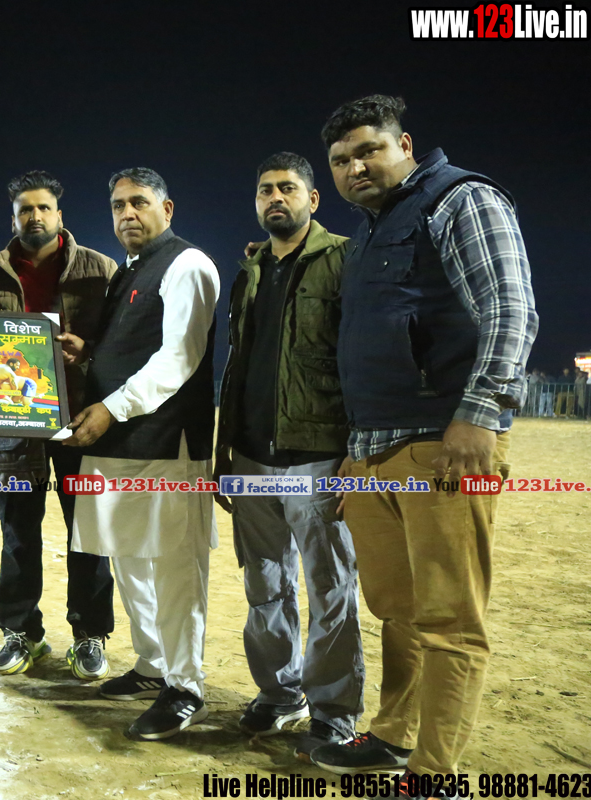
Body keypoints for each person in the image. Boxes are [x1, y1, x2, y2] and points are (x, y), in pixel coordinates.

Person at [309, 95, 538, 785]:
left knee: (449, 619)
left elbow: (510, 307)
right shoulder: (371, 231)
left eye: (368, 151)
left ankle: (436, 774)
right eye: (341, 161)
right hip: (375, 450)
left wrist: (480, 414)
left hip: (444, 444)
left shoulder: (459, 199)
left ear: (404, 145)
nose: (355, 168)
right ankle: (393, 736)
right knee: (397, 611)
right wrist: (355, 453)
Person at [213, 152, 364, 760]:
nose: (276, 197)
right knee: (264, 586)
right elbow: (238, 365)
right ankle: (279, 693)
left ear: (313, 199)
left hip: (318, 456)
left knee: (331, 590)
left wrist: (357, 452)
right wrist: (224, 451)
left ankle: (333, 712)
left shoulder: (346, 259)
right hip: (250, 456)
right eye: (266, 190)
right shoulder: (249, 272)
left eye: (288, 188)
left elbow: (360, 357)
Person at [63, 168, 220, 741]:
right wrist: (88, 353)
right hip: (118, 444)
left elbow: (179, 357)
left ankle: (185, 686)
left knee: (175, 566)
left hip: (167, 444)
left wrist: (110, 407)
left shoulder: (188, 264)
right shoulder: (128, 271)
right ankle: (153, 663)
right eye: (118, 205)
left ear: (167, 209)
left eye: (139, 202)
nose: (127, 213)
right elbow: (132, 347)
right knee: (127, 556)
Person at [0, 170, 118, 680]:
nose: (34, 216)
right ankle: (22, 632)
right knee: (18, 533)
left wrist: (89, 354)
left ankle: (90, 634)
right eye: (25, 209)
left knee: (89, 532)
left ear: (60, 215)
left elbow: (122, 342)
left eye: (43, 208)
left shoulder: (100, 269)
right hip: (16, 426)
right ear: (13, 218)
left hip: (83, 424)